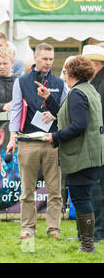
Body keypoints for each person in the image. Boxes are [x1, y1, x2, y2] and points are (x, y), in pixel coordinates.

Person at [37, 56, 103, 253]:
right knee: (84, 197)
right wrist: (49, 99)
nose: (63, 75)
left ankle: (88, 245)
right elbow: (67, 116)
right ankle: (86, 241)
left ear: (71, 73)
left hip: (81, 156)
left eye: (65, 72)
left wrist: (54, 136)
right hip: (92, 155)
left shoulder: (77, 93)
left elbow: (79, 125)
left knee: (81, 198)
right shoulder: (88, 90)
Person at [6, 43, 68, 240]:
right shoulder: (21, 81)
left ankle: (53, 229)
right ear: (35, 58)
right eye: (44, 59)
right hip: (28, 141)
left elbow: (67, 111)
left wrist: (56, 116)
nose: (48, 63)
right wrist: (12, 137)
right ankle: (28, 228)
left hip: (52, 142)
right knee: (27, 190)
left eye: (51, 59)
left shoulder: (60, 83)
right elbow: (15, 109)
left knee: (54, 190)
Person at [82, 44, 104, 243]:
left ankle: (97, 231)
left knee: (97, 189)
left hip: (100, 144)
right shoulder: (96, 82)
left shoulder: (99, 84)